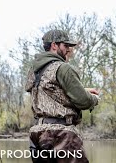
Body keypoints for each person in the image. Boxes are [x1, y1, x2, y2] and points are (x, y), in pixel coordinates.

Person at [25, 29, 99, 163]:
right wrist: (94, 99)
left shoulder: (34, 70)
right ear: (54, 45)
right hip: (61, 134)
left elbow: (48, 91)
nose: (69, 49)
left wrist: (84, 89)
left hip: (37, 134)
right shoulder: (62, 68)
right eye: (65, 45)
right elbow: (83, 101)